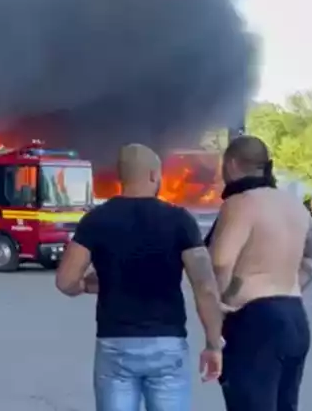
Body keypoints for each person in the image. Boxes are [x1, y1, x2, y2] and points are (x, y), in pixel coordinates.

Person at [56, 144, 225, 411]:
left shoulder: (96, 220)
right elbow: (205, 287)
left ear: (122, 177)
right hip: (167, 344)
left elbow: (65, 281)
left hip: (115, 344)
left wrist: (90, 285)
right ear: (152, 175)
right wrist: (213, 344)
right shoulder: (180, 220)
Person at [210, 135, 312, 411]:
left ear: (232, 164)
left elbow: (221, 261)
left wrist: (224, 302)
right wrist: (295, 282)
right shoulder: (292, 204)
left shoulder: (241, 203)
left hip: (255, 320)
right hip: (294, 315)